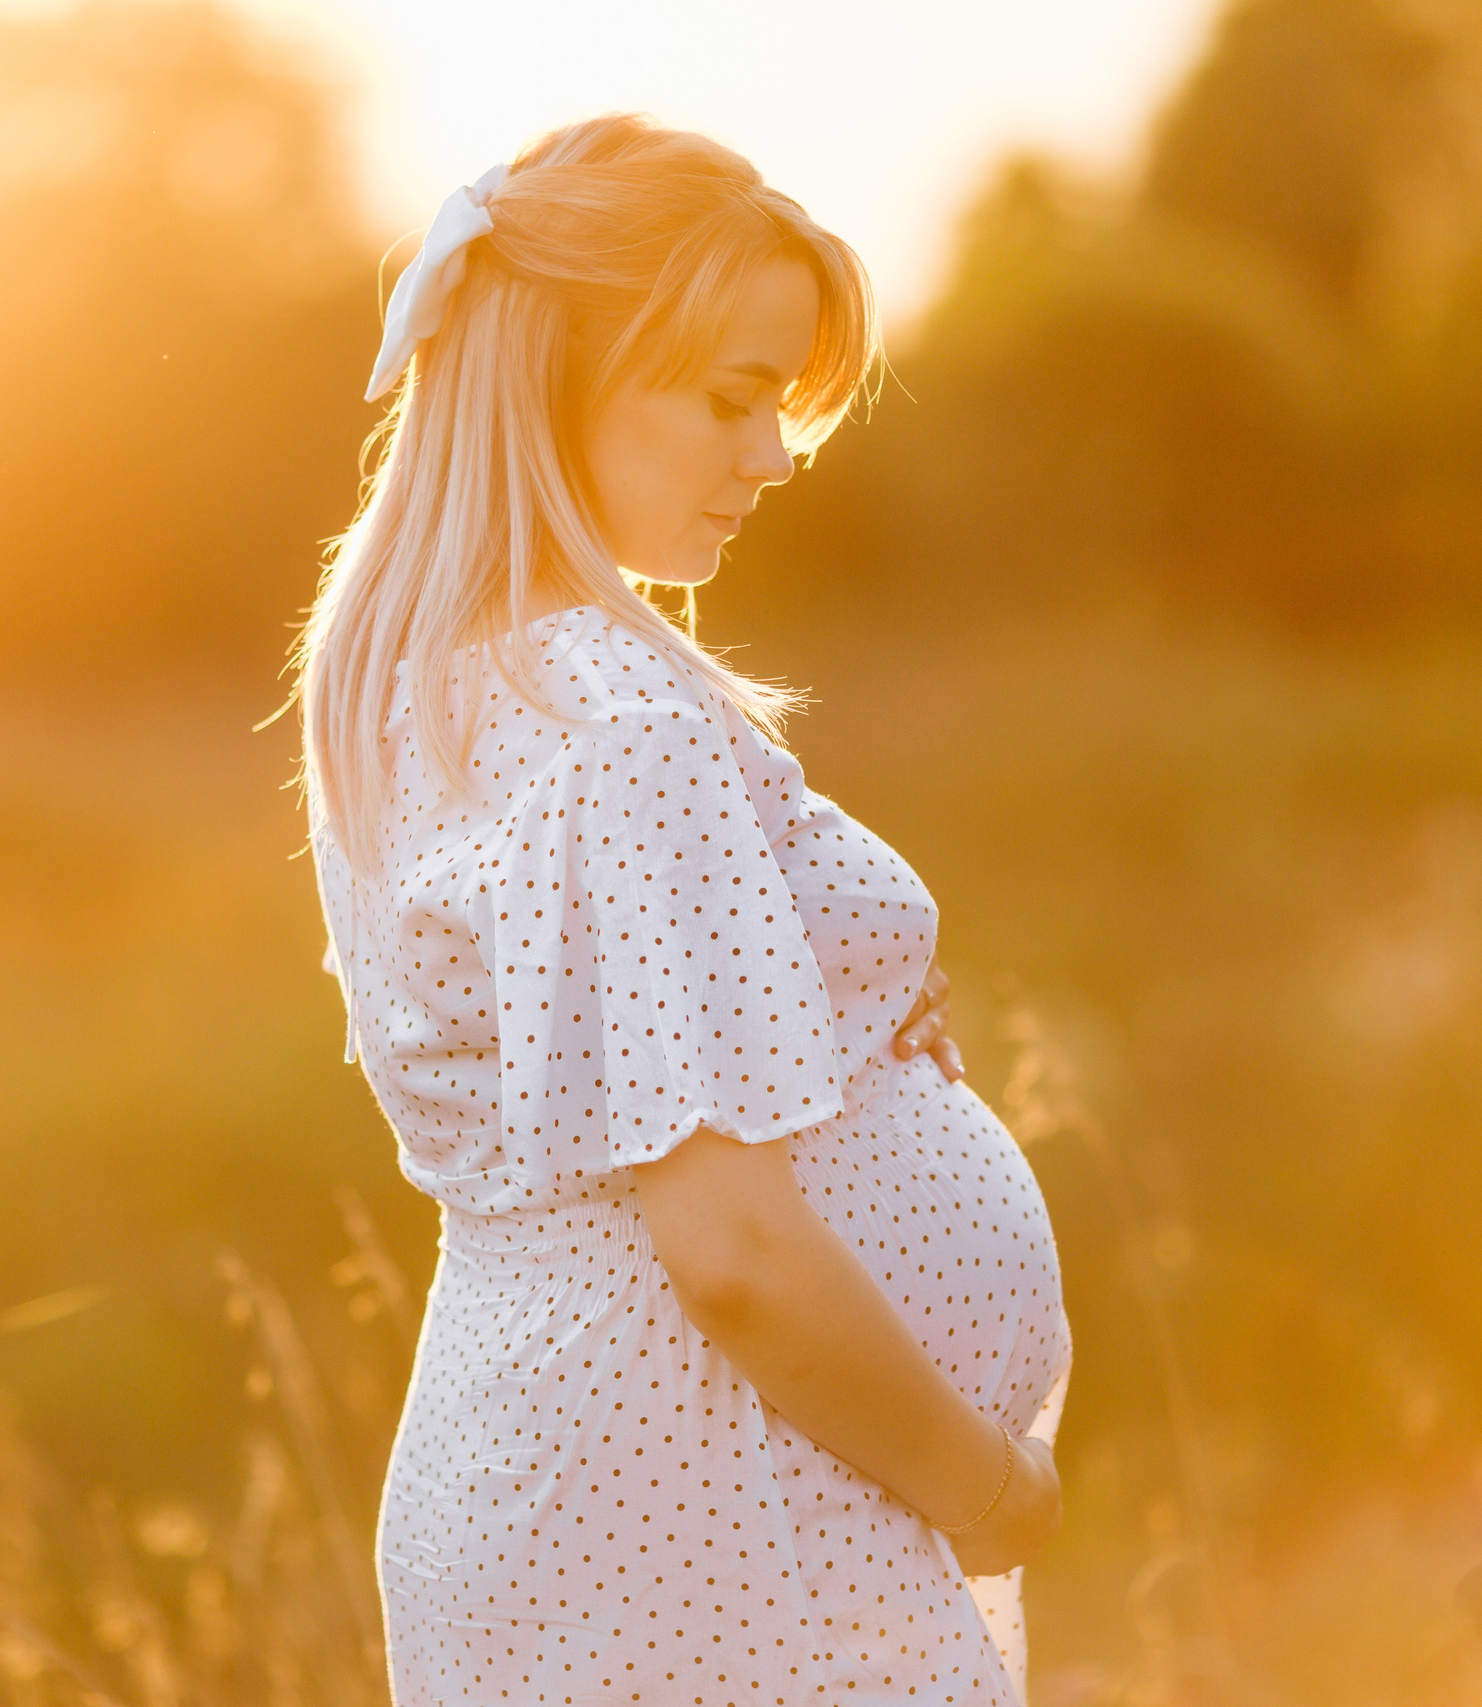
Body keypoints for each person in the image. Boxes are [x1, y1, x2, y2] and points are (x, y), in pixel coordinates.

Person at [292, 114, 1070, 1707]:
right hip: (710, 1505)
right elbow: (731, 1252)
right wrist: (983, 1489)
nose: (774, 457)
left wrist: (845, 1022)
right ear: (557, 375)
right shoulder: (618, 730)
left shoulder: (427, 681)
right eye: (731, 400)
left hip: (561, 1478)